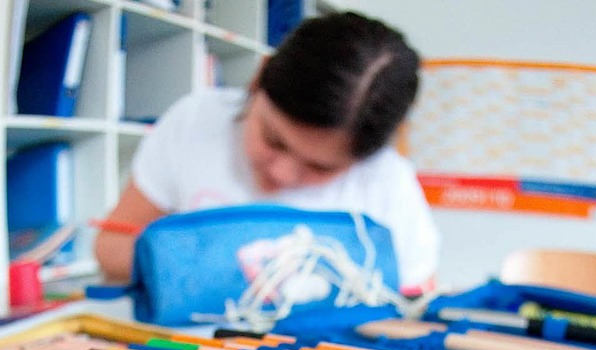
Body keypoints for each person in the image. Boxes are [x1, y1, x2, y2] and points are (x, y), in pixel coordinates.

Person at [94, 11, 440, 292]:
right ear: (258, 79)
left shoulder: (387, 183)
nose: (281, 174)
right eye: (274, 140)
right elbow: (109, 247)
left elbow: (414, 301)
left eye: (320, 168)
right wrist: (205, 266)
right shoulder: (196, 121)